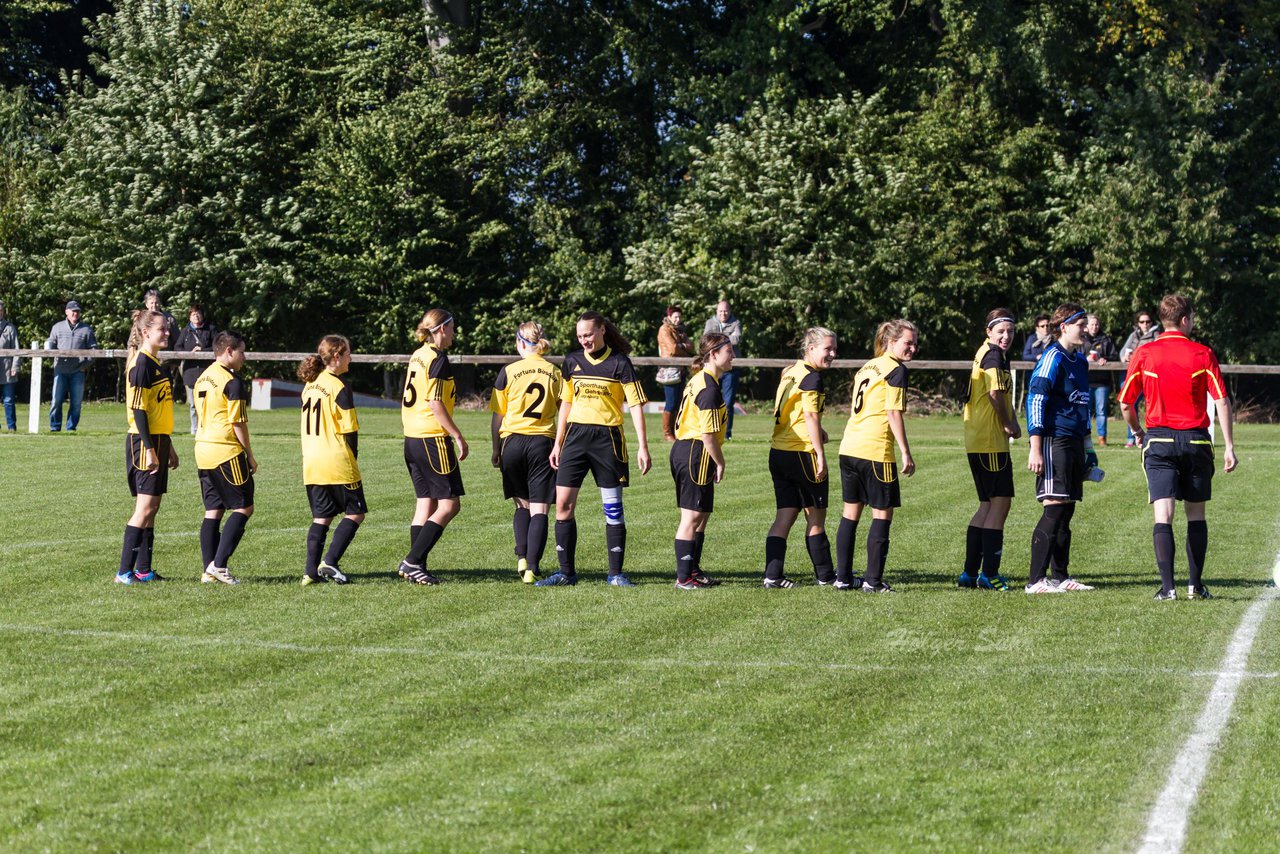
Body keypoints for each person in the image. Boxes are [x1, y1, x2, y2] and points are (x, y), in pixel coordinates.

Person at [1118, 294, 1238, 601]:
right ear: (1185, 320)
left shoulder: (1145, 353)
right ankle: (1195, 587)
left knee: (1164, 515)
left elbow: (1126, 402)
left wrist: (1137, 431)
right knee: (1196, 515)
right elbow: (1222, 400)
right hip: (1196, 440)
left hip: (1158, 440)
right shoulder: (1202, 353)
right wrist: (1229, 446)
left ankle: (1168, 588)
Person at [539, 310, 651, 587]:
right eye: (579, 336)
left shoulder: (620, 363)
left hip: (607, 440)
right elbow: (565, 403)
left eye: (588, 334)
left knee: (612, 509)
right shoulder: (572, 361)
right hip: (575, 439)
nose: (584, 340)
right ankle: (566, 573)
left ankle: (615, 574)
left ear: (602, 330)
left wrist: (643, 447)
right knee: (563, 505)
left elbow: (635, 405)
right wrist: (558, 442)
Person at [836, 319, 919, 593]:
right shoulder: (896, 370)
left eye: (914, 343)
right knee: (882, 515)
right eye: (908, 342)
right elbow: (893, 413)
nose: (913, 348)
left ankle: (843, 578)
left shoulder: (868, 366)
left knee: (850, 514)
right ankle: (873, 581)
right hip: (874, 450)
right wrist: (905, 451)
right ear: (891, 342)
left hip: (849, 447)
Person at [1024, 303, 1097, 593]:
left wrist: (1089, 448)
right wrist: (1035, 447)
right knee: (1053, 508)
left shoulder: (1080, 362)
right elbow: (1036, 400)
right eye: (1080, 323)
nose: (1084, 328)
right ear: (1063, 326)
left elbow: (1083, 406)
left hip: (1075, 442)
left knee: (1066, 511)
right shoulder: (1051, 358)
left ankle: (1060, 577)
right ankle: (1034, 581)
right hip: (1054, 440)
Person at [762, 327, 838, 588]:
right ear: (811, 348)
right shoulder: (811, 378)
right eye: (827, 349)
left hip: (779, 452)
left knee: (785, 515)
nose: (832, 354)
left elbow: (793, 411)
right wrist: (820, 455)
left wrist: (821, 432)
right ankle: (826, 576)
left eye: (834, 349)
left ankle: (772, 576)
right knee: (815, 516)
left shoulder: (791, 371)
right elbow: (810, 416)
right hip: (801, 453)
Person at [489, 320, 563, 584]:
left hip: (512, 441)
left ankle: (521, 558)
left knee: (521, 503)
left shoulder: (508, 371)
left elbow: (498, 416)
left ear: (520, 342)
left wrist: (496, 449)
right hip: (542, 441)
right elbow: (563, 410)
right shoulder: (556, 372)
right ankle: (532, 568)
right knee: (540, 509)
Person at [398, 308, 468, 585]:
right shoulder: (438, 359)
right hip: (432, 437)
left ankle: (417, 567)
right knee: (450, 505)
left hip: (411, 437)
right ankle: (413, 560)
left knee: (425, 503)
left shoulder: (418, 354)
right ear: (441, 329)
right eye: (451, 328)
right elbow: (435, 403)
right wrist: (457, 435)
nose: (453, 333)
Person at [958, 309, 1021, 591]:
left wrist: (1013, 419)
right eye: (1001, 331)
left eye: (1010, 331)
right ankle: (989, 574)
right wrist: (1007, 424)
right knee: (1000, 502)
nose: (1006, 336)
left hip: (978, 440)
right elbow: (995, 394)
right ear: (989, 332)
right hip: (989, 441)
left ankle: (970, 573)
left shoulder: (989, 352)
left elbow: (999, 393)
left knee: (986, 504)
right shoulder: (993, 355)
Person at [116, 309, 179, 584]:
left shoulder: (155, 362)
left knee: (153, 507)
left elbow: (156, 409)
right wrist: (150, 448)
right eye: (162, 329)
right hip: (144, 440)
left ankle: (143, 570)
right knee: (143, 508)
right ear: (145, 333)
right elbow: (138, 410)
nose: (167, 333)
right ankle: (123, 572)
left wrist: (169, 445)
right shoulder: (141, 364)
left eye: (167, 329)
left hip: (158, 438)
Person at [297, 335, 364, 586]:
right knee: (356, 512)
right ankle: (330, 562)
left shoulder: (310, 384)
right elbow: (350, 431)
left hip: (312, 461)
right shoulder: (339, 387)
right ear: (336, 356)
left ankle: (309, 572)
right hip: (336, 459)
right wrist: (353, 460)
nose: (350, 358)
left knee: (321, 517)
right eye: (348, 353)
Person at [192, 330, 257, 585]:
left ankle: (208, 570)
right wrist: (249, 454)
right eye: (241, 351)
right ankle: (219, 565)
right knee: (243, 507)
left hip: (203, 450)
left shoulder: (203, 377)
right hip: (225, 450)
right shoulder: (233, 381)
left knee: (213, 510)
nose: (244, 356)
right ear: (229, 351)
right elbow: (238, 422)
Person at [670, 332, 733, 589]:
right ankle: (683, 577)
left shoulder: (701, 380)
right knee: (692, 516)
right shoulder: (708, 387)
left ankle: (692, 570)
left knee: (702, 513)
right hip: (695, 450)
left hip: (688, 449)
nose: (733, 356)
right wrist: (720, 461)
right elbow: (708, 435)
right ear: (714, 354)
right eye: (729, 352)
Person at [45, 299, 98, 432]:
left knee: (76, 403)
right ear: (66, 312)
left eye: (77, 311)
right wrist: (49, 349)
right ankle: (55, 427)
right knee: (56, 401)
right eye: (73, 311)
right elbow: (50, 344)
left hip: (78, 371)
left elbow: (94, 350)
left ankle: (71, 428)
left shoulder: (86, 329)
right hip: (60, 370)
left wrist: (85, 365)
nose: (75, 313)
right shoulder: (57, 327)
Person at [704, 299, 743, 439]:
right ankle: (711, 431)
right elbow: (707, 340)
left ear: (729, 311)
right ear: (716, 311)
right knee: (711, 400)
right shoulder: (710, 323)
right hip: (714, 369)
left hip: (730, 369)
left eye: (725, 311)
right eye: (720, 311)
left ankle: (726, 434)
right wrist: (727, 338)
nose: (723, 313)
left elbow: (737, 339)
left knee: (728, 403)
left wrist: (717, 340)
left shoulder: (736, 323)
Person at [175, 304, 217, 434]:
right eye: (193, 314)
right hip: (190, 372)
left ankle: (208, 427)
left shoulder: (211, 329)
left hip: (207, 372)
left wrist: (203, 351)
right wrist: (190, 352)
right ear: (189, 317)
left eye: (198, 313)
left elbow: (218, 346)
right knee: (193, 404)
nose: (196, 316)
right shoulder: (185, 332)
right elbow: (177, 348)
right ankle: (194, 429)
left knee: (208, 403)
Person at [1120, 310, 1159, 447]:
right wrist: (1125, 357)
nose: (1145, 324)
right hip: (1134, 375)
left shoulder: (1156, 335)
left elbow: (1158, 354)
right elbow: (1122, 352)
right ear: (1138, 323)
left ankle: (1154, 434)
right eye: (1142, 322)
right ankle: (1132, 436)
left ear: (1152, 323)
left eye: (1148, 321)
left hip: (1150, 376)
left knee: (1152, 405)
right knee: (1129, 405)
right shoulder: (1133, 335)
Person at [656, 305, 694, 442]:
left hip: (681, 369)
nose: (678, 319)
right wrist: (684, 347)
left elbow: (692, 346)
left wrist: (682, 346)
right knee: (671, 403)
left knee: (679, 402)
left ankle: (676, 431)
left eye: (679, 317)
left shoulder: (680, 330)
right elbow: (672, 349)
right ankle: (667, 433)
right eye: (675, 317)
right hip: (670, 370)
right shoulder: (664, 329)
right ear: (669, 317)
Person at [1083, 314, 1120, 446]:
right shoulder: (1080, 339)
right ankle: (1084, 437)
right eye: (1092, 324)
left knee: (1101, 411)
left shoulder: (1106, 339)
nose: (1094, 327)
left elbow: (1115, 356)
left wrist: (1105, 359)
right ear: (1087, 326)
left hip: (1102, 382)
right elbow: (1073, 355)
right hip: (1084, 381)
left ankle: (1101, 438)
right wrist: (1085, 359)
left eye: (1096, 324)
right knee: (1084, 411)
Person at [0, 301, 18, 431]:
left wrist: (15, 367)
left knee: (8, 401)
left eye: (1, 310)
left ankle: (11, 427)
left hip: (7, 369)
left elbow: (16, 349)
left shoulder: (10, 328)